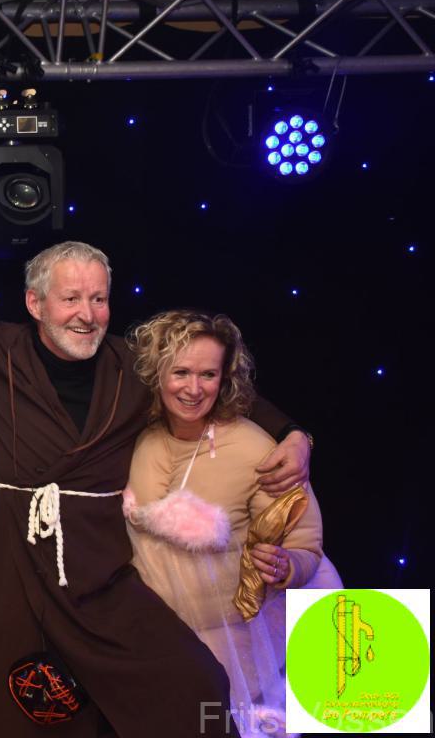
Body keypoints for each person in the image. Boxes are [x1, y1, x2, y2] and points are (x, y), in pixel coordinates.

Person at [0, 241, 313, 737]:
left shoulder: (132, 364)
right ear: (35, 303)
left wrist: (293, 433)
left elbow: (212, 385)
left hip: (97, 567)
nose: (87, 314)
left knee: (194, 682)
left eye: (99, 299)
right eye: (71, 298)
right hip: (6, 556)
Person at [123, 310, 323, 736]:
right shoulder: (135, 435)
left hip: (236, 648)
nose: (194, 388)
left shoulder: (255, 446)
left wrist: (286, 565)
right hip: (157, 644)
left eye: (208, 374)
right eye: (181, 372)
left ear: (224, 377)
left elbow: (306, 543)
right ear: (156, 373)